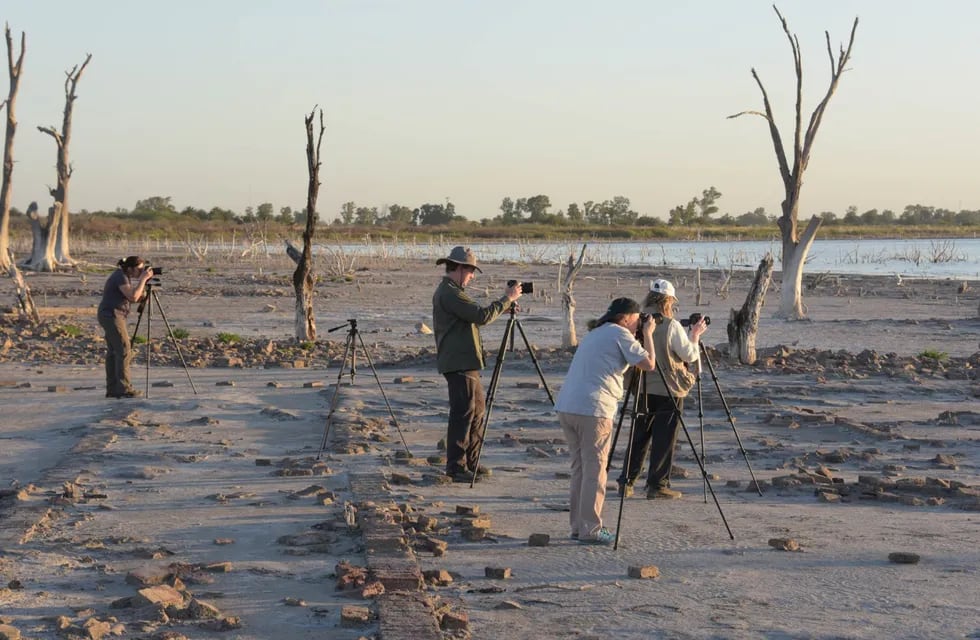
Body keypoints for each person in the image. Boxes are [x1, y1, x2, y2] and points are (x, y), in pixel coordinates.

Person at [554, 297, 656, 545]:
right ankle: (591, 528)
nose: (636, 326)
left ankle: (578, 526)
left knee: (580, 468)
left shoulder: (595, 333)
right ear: (625, 319)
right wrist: (649, 334)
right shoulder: (620, 334)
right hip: (594, 410)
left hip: (568, 406)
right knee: (596, 470)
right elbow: (649, 363)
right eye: (635, 321)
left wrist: (639, 334)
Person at [432, 246, 522, 483]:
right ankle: (456, 466)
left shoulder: (453, 291)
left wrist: (504, 306)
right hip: (459, 361)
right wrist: (507, 299)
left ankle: (471, 461)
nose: (472, 276)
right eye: (471, 271)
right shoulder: (450, 293)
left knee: (477, 411)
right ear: (460, 268)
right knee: (464, 413)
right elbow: (481, 316)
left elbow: (475, 315)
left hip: (465, 360)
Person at [617, 278, 707, 500]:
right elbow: (689, 355)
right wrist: (695, 336)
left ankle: (626, 482)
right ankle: (657, 484)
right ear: (668, 301)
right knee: (664, 438)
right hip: (668, 388)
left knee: (639, 436)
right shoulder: (671, 325)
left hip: (640, 386)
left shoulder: (635, 321)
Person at [97, 256, 155, 398]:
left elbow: (132, 297)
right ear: (130, 268)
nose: (141, 272)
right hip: (112, 316)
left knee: (113, 352)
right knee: (124, 350)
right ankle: (124, 389)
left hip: (111, 315)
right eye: (139, 270)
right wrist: (143, 280)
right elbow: (133, 297)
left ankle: (112, 389)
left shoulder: (123, 276)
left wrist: (144, 290)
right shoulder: (120, 277)